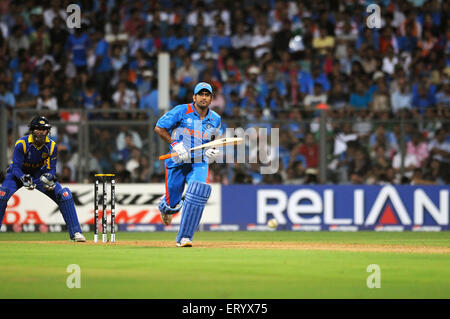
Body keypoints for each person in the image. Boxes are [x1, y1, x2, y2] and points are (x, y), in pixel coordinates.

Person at [154, 82, 222, 247]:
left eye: (207, 95)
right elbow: (159, 128)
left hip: (199, 162)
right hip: (177, 161)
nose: (204, 97)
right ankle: (166, 206)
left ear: (211, 98)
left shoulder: (215, 119)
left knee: (197, 194)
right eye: (201, 94)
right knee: (173, 204)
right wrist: (175, 144)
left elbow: (215, 138)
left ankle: (185, 237)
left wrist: (212, 149)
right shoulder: (181, 110)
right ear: (194, 97)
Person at [0, 116, 86, 242]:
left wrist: (49, 178)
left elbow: (51, 169)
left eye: (43, 129)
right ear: (32, 130)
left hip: (38, 176)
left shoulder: (52, 146)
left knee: (65, 194)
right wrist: (23, 178)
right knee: (2, 194)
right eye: (37, 129)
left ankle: (76, 232)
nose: (40, 132)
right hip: (17, 175)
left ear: (47, 131)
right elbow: (16, 167)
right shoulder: (22, 144)